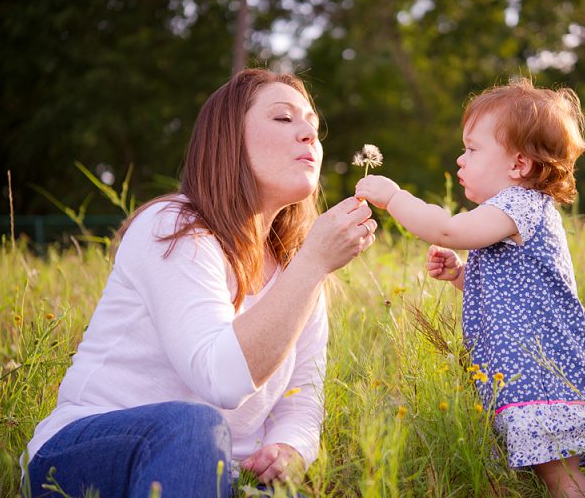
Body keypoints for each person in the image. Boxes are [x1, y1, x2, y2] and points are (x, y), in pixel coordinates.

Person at [25, 68, 378, 497]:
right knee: (191, 423)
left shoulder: (296, 269)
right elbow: (220, 379)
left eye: (313, 126)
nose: (308, 134)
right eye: (284, 118)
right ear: (229, 139)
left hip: (210, 478)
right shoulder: (174, 227)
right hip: (81, 459)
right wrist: (313, 264)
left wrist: (290, 447)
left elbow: (301, 399)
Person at [355, 78, 585, 498]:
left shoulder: (518, 204)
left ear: (518, 165)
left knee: (560, 477)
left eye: (472, 149)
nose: (460, 159)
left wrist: (395, 197)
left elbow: (445, 227)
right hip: (529, 375)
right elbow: (509, 293)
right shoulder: (507, 214)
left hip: (542, 376)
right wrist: (462, 274)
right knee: (549, 475)